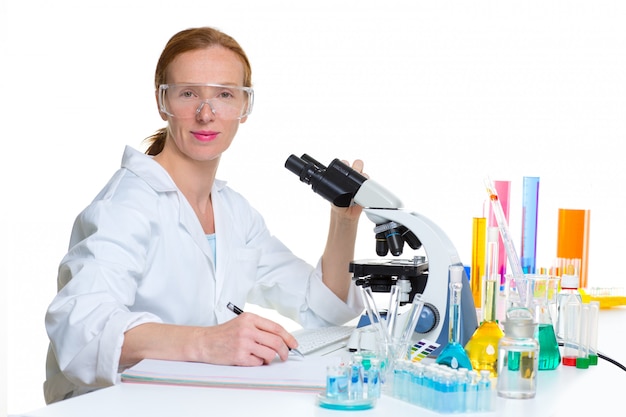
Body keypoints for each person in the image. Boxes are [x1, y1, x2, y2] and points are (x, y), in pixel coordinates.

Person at [44, 26, 366, 404]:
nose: (206, 114)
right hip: (110, 405)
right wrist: (207, 342)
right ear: (162, 101)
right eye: (189, 94)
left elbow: (323, 309)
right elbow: (80, 332)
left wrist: (344, 220)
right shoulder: (125, 206)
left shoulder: (234, 212)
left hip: (191, 401)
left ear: (244, 108)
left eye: (225, 95)